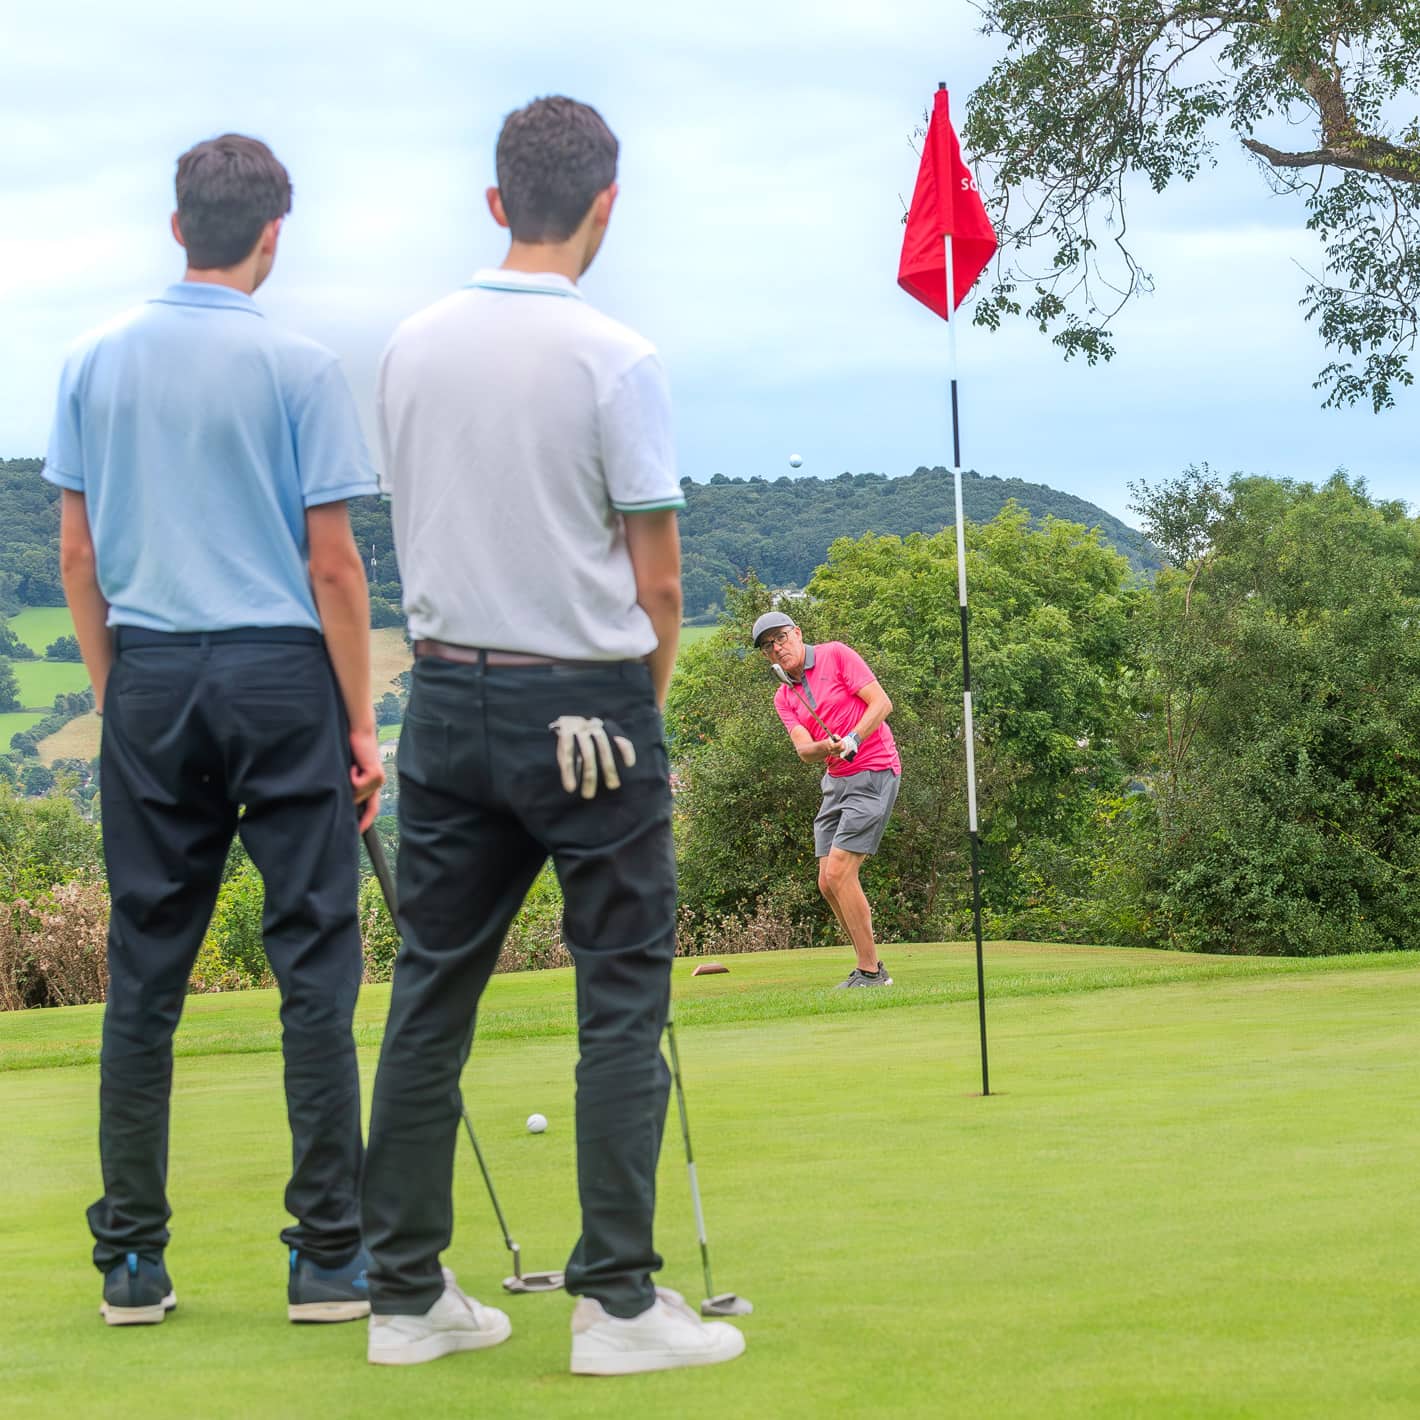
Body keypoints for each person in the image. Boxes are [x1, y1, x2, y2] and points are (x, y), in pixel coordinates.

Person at [361, 95, 745, 1376]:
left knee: (431, 994)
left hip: (443, 703)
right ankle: (618, 1306)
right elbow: (663, 583)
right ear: (605, 206)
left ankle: (405, 1297)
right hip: (585, 701)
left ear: (493, 201)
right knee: (620, 992)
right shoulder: (615, 358)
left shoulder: (408, 347)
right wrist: (644, 710)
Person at [44, 134, 384, 1327]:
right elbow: (334, 567)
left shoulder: (92, 359)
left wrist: (112, 689)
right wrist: (361, 721)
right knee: (312, 971)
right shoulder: (300, 363)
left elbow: (78, 556)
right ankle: (329, 1259)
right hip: (281, 676)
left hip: (148, 675)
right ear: (272, 234)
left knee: (145, 975)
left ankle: (131, 1262)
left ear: (175, 220)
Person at [753, 611, 901, 987]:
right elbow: (804, 751)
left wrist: (852, 738)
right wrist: (827, 746)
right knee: (826, 881)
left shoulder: (836, 654)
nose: (778, 648)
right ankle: (867, 967)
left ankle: (871, 972)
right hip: (836, 781)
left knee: (840, 872)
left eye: (782, 638)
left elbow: (881, 704)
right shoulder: (784, 696)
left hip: (874, 769)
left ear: (798, 634)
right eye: (769, 646)